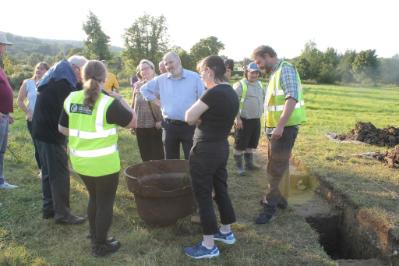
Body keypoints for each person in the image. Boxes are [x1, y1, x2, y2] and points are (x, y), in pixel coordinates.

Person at [59, 60, 137, 257]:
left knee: (94, 197)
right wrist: (120, 99)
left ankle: (95, 235)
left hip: (81, 163)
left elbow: (62, 129)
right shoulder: (107, 102)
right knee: (104, 202)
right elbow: (133, 122)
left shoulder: (71, 98)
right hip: (104, 163)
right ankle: (100, 245)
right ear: (104, 79)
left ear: (82, 77)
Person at [184, 55, 239, 259]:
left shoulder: (213, 92)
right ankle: (225, 231)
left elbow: (189, 116)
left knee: (204, 195)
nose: (201, 77)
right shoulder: (231, 92)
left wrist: (199, 118)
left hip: (205, 149)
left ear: (209, 70)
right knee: (221, 189)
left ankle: (208, 245)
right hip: (221, 147)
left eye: (201, 73)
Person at [252, 45, 306, 224]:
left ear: (268, 56)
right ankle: (281, 199)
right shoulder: (275, 73)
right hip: (276, 129)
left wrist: (280, 126)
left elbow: (292, 98)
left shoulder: (286, 69)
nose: (258, 66)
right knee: (279, 164)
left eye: (259, 61)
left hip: (284, 128)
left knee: (275, 168)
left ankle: (269, 207)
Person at [32, 55, 88, 223]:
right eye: (82, 73)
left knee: (48, 172)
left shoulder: (58, 74)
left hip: (40, 129)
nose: (82, 78)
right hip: (50, 132)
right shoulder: (64, 82)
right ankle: (62, 214)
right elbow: (72, 108)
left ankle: (49, 208)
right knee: (59, 173)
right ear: (76, 68)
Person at [141, 52, 205, 159]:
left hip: (189, 126)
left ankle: (190, 176)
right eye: (166, 64)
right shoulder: (161, 79)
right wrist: (158, 103)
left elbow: (203, 98)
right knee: (170, 160)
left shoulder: (194, 77)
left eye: (171, 62)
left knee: (192, 159)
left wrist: (200, 116)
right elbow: (144, 89)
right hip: (169, 127)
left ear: (179, 61)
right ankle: (173, 176)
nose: (169, 66)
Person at [17, 62, 49, 174]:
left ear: (47, 71)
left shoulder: (49, 83)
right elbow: (20, 100)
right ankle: (42, 169)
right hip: (32, 120)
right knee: (37, 144)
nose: (39, 70)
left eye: (42, 69)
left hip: (46, 120)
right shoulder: (27, 82)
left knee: (46, 144)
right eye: (37, 68)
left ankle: (48, 167)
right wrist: (28, 111)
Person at [232, 62, 264, 175]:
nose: (254, 75)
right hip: (243, 120)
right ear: (246, 72)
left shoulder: (259, 84)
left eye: (256, 73)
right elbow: (233, 103)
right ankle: (239, 167)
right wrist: (237, 118)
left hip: (256, 120)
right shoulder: (240, 85)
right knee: (240, 145)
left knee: (251, 144)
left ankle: (249, 164)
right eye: (252, 73)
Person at [131, 59, 164, 161]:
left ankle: (160, 175)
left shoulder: (160, 84)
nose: (144, 71)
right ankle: (149, 175)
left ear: (153, 69)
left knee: (157, 155)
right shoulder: (138, 85)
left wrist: (162, 121)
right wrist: (132, 121)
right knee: (145, 154)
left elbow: (167, 103)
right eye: (142, 70)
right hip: (140, 125)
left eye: (146, 68)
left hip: (155, 125)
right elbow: (134, 104)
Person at [0, 32, 17, 189]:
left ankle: (0, 181)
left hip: (3, 116)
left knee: (1, 150)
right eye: (3, 45)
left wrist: (7, 113)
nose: (5, 48)